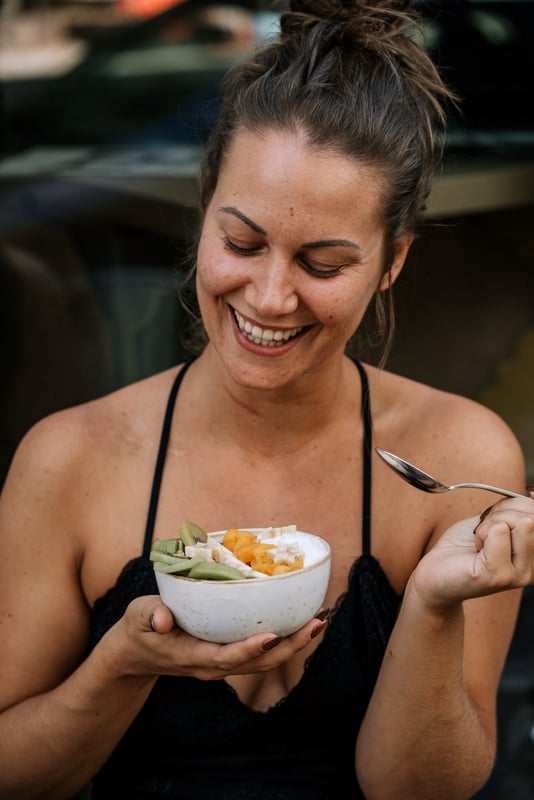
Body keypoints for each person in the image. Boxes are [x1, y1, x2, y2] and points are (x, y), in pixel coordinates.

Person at [1, 1, 534, 798]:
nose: (271, 297)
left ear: (392, 263)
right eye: (242, 244)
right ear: (203, 210)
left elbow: (421, 790)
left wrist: (428, 605)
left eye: (322, 264)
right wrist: (120, 665)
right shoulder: (67, 460)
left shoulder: (460, 458)